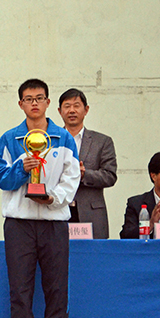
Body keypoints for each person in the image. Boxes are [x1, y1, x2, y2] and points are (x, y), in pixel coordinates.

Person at [0, 79, 80, 318]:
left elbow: (71, 179)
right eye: (28, 99)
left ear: (47, 103)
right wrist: (22, 168)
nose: (34, 103)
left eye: (39, 98)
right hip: (19, 224)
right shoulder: (10, 139)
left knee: (57, 289)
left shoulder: (63, 138)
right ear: (20, 104)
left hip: (54, 223)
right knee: (20, 289)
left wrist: (53, 198)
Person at [58, 88, 117, 239]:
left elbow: (110, 176)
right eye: (67, 106)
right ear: (60, 111)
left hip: (90, 214)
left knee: (92, 253)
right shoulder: (51, 141)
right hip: (58, 211)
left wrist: (85, 174)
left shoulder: (102, 141)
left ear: (86, 110)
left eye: (76, 106)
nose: (72, 110)